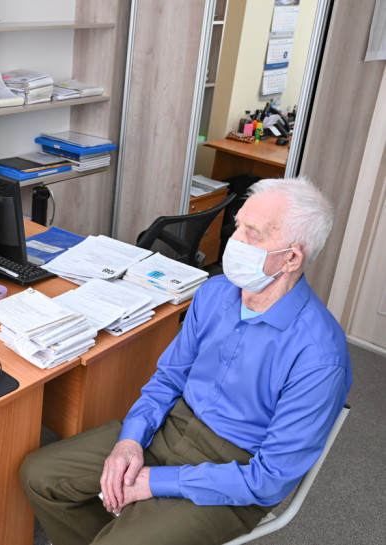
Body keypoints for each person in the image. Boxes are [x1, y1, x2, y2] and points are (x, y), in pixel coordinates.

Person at [20, 177, 352, 545]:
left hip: (235, 471)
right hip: (171, 425)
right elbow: (167, 380)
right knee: (39, 476)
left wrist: (156, 482)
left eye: (253, 233)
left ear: (291, 258)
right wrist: (131, 439)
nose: (235, 240)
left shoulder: (320, 356)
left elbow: (269, 480)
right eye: (238, 225)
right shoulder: (214, 293)